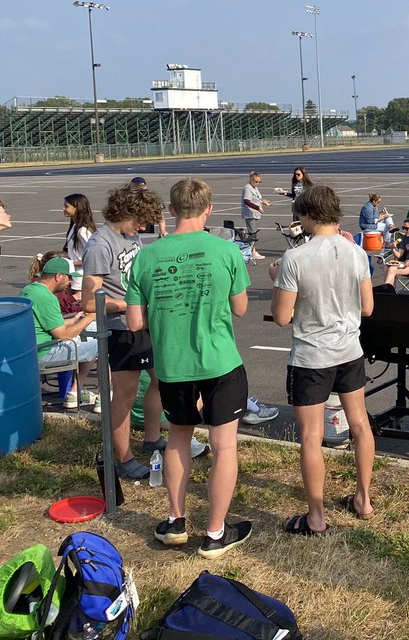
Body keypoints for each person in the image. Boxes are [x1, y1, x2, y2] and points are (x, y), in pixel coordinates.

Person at [127, 179, 252, 559]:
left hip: (173, 363)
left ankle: (176, 520)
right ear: (208, 209)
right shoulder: (225, 250)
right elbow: (241, 308)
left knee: (179, 435)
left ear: (171, 209)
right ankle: (215, 533)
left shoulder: (147, 256)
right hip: (219, 360)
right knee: (223, 444)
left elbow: (135, 323)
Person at [269, 185, 375, 533]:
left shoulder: (295, 258)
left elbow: (282, 317)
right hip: (349, 350)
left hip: (312, 356)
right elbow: (368, 307)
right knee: (359, 425)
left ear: (310, 215)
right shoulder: (356, 251)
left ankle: (315, 516)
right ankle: (364, 498)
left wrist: (277, 282)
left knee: (311, 436)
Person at [82, 183, 166, 480]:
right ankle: (123, 457)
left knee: (160, 380)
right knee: (126, 396)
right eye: (141, 218)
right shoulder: (100, 245)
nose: (144, 226)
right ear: (128, 211)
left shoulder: (130, 235)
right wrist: (127, 304)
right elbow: (90, 301)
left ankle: (152, 438)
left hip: (143, 322)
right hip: (121, 330)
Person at [21, 252, 98, 409]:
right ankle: (100, 395)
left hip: (30, 349)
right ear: (58, 276)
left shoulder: (30, 289)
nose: (70, 282)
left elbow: (49, 324)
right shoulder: (47, 298)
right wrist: (89, 318)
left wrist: (75, 320)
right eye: (68, 277)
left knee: (93, 335)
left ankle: (76, 390)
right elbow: (63, 335)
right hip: (44, 353)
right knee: (104, 342)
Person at [62, 194, 95, 300]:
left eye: (66, 206)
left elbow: (93, 256)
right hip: (73, 275)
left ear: (77, 208)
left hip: (80, 277)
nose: (63, 208)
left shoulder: (83, 231)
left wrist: (70, 263)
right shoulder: (74, 226)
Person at [240, 172, 271, 261]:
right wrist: (257, 207)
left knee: (253, 233)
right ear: (251, 180)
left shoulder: (255, 188)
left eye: (259, 182)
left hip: (254, 213)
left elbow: (258, 198)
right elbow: (247, 201)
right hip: (249, 213)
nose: (258, 183)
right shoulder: (247, 188)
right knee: (252, 233)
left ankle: (251, 251)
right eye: (257, 181)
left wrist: (264, 201)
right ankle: (252, 252)